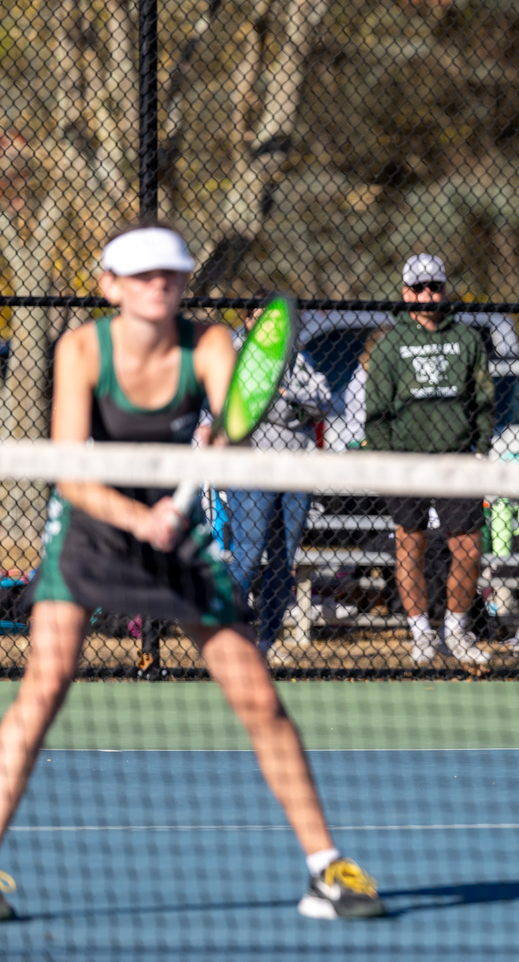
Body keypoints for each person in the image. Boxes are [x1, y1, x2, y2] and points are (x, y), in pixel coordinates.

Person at [0, 222, 383, 921]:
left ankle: (329, 870)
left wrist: (215, 454)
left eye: (171, 274)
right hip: (89, 532)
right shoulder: (83, 349)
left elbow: (230, 422)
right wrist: (135, 514)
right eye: (143, 275)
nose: (159, 286)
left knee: (259, 698)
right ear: (109, 285)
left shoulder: (206, 343)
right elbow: (67, 467)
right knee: (43, 690)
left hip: (179, 540)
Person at [364, 253, 493, 667]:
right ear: (405, 293)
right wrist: (388, 461)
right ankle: (421, 635)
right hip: (406, 463)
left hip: (457, 460)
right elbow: (375, 412)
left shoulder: (468, 340)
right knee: (410, 547)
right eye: (418, 288)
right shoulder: (390, 345)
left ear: (444, 289)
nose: (427, 294)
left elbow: (484, 400)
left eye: (434, 286)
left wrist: (480, 449)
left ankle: (456, 630)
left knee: (469, 550)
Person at [224, 291, 333, 663]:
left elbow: (323, 399)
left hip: (297, 469)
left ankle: (266, 644)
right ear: (248, 320)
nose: (268, 327)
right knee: (248, 557)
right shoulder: (233, 353)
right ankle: (229, 638)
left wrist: (289, 395)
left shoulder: (298, 356)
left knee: (282, 560)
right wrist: (292, 405)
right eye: (259, 318)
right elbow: (246, 405)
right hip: (251, 469)